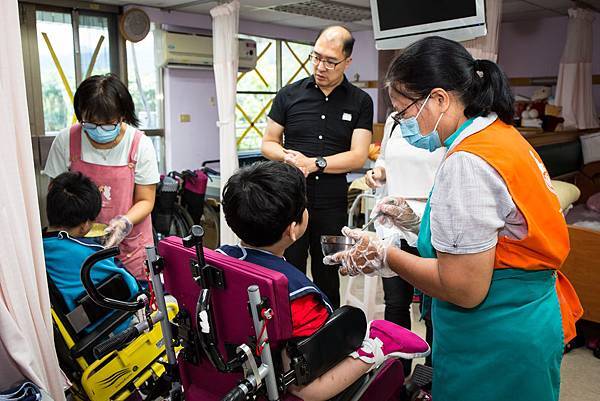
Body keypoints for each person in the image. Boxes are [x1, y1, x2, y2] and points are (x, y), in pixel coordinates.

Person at [325, 36, 583, 401]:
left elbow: (463, 287)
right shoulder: (501, 136)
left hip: (494, 333)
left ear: (439, 99)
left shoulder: (468, 161)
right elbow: (497, 231)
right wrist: (417, 224)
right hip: (527, 319)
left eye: (403, 111)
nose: (401, 123)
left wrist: (385, 255)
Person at [219, 161, 429, 401]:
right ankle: (378, 345)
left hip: (234, 367)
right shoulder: (296, 296)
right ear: (293, 230)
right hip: (287, 385)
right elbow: (305, 387)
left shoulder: (218, 261)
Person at [261, 26, 373, 308]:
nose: (321, 66)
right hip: (291, 202)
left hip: (333, 205)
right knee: (289, 270)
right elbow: (268, 143)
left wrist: (315, 164)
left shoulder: (361, 101)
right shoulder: (289, 95)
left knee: (329, 274)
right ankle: (291, 340)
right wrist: (289, 158)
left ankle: (330, 338)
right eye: (316, 57)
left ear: (347, 62)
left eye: (330, 61)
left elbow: (358, 156)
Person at [43, 74, 159, 282]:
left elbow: (145, 200)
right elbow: (57, 193)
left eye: (107, 125)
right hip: (78, 245)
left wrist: (124, 223)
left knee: (133, 296)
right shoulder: (66, 141)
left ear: (122, 115)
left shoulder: (139, 144)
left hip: (129, 246)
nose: (98, 131)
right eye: (90, 124)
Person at [364, 112, 444, 373]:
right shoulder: (395, 119)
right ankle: (396, 371)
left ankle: (431, 373)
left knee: (434, 307)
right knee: (396, 303)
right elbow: (386, 157)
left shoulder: (445, 119)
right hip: (393, 219)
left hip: (430, 221)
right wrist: (378, 171)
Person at [43, 171, 140, 334]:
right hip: (104, 333)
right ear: (84, 226)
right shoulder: (89, 254)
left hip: (70, 329)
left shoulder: (38, 247)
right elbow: (131, 286)